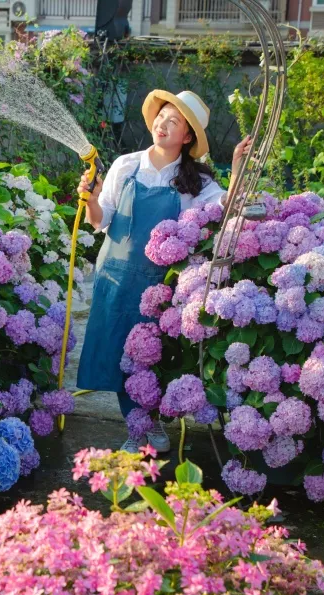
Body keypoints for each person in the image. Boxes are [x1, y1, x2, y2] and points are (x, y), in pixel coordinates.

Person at [76, 89, 253, 453]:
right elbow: (101, 220)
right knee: (117, 351)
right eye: (161, 117)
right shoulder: (126, 165)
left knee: (150, 354)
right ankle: (136, 429)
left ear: (187, 136)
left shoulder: (195, 182)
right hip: (116, 274)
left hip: (159, 283)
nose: (162, 125)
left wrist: (237, 169)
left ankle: (152, 421)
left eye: (173, 122)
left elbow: (227, 205)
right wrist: (91, 200)